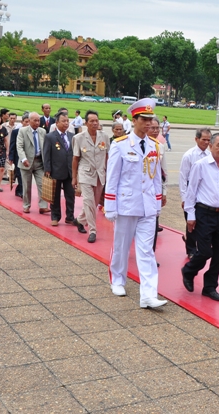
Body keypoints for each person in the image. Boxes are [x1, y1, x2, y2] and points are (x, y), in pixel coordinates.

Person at [104, 98, 167, 309]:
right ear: (135, 119)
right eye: (145, 119)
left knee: (147, 250)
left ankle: (148, 294)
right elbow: (112, 177)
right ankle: (118, 279)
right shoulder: (120, 145)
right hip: (126, 204)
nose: (149, 123)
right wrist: (110, 206)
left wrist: (157, 204)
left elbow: (157, 177)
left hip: (148, 206)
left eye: (151, 119)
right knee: (121, 246)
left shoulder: (155, 146)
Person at [181, 133, 219, 302]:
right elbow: (191, 192)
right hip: (204, 213)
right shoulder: (200, 165)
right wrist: (190, 215)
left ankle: (210, 287)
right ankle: (189, 270)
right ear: (211, 146)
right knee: (205, 251)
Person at [72, 110, 109, 242]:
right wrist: (74, 177)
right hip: (85, 173)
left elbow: (107, 156)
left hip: (100, 174)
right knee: (88, 201)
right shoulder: (79, 138)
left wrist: (109, 173)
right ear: (86, 123)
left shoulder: (104, 137)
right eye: (91, 121)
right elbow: (75, 159)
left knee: (93, 203)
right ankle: (92, 231)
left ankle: (79, 220)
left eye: (96, 120)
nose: (94, 123)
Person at [179, 128, 212, 258]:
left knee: (202, 222)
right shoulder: (189, 155)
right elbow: (183, 177)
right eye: (203, 139)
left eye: (208, 140)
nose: (206, 142)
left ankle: (201, 246)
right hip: (190, 192)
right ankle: (191, 249)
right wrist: (184, 197)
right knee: (191, 222)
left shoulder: (210, 155)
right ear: (196, 139)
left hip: (204, 194)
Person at [43, 113, 76, 227]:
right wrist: (47, 169)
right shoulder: (50, 136)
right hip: (55, 171)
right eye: (63, 121)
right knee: (55, 196)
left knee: (70, 195)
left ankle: (70, 217)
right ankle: (55, 216)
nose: (66, 123)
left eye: (67, 121)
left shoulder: (73, 136)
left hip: (70, 171)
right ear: (57, 123)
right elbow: (46, 154)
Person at [17, 112, 49, 214]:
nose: (37, 122)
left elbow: (46, 147)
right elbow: (19, 146)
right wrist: (23, 159)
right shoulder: (23, 131)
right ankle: (26, 205)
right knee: (27, 186)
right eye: (34, 120)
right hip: (26, 162)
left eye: (38, 120)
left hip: (39, 162)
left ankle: (43, 206)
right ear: (29, 121)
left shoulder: (42, 131)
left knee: (42, 185)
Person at [147, 116, 168, 248]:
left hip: (154, 191)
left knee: (153, 225)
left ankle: (151, 254)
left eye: (157, 128)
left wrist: (164, 192)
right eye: (152, 128)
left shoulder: (160, 147)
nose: (155, 131)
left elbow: (163, 173)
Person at [8, 113, 29, 197]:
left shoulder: (32, 132)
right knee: (20, 174)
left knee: (26, 175)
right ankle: (22, 191)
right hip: (18, 156)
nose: (27, 124)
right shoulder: (16, 132)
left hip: (28, 156)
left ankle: (19, 189)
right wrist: (11, 157)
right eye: (26, 122)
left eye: (29, 122)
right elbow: (12, 145)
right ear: (22, 122)